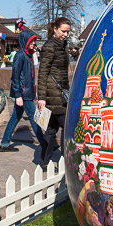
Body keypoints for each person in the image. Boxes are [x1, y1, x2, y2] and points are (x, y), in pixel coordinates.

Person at [0, 29, 48, 156]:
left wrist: (34, 91)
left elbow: (29, 77)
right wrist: (18, 95)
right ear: (25, 41)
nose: (34, 43)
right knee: (34, 118)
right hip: (23, 94)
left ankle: (4, 143)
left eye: (34, 41)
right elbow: (15, 77)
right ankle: (45, 144)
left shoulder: (28, 55)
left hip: (27, 92)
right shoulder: (20, 56)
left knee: (15, 117)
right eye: (32, 41)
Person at [37, 17, 71, 161]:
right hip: (54, 93)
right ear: (55, 29)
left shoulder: (62, 45)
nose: (66, 35)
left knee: (51, 129)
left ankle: (44, 161)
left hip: (61, 91)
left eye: (68, 32)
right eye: (63, 31)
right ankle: (66, 161)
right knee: (67, 127)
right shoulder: (49, 46)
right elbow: (42, 73)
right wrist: (42, 98)